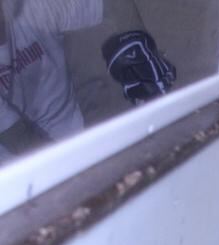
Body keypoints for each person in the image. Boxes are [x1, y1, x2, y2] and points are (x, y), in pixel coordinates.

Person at [0, 0, 175, 161]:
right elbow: (20, 139)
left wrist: (138, 46)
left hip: (73, 125)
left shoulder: (30, 8)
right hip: (15, 172)